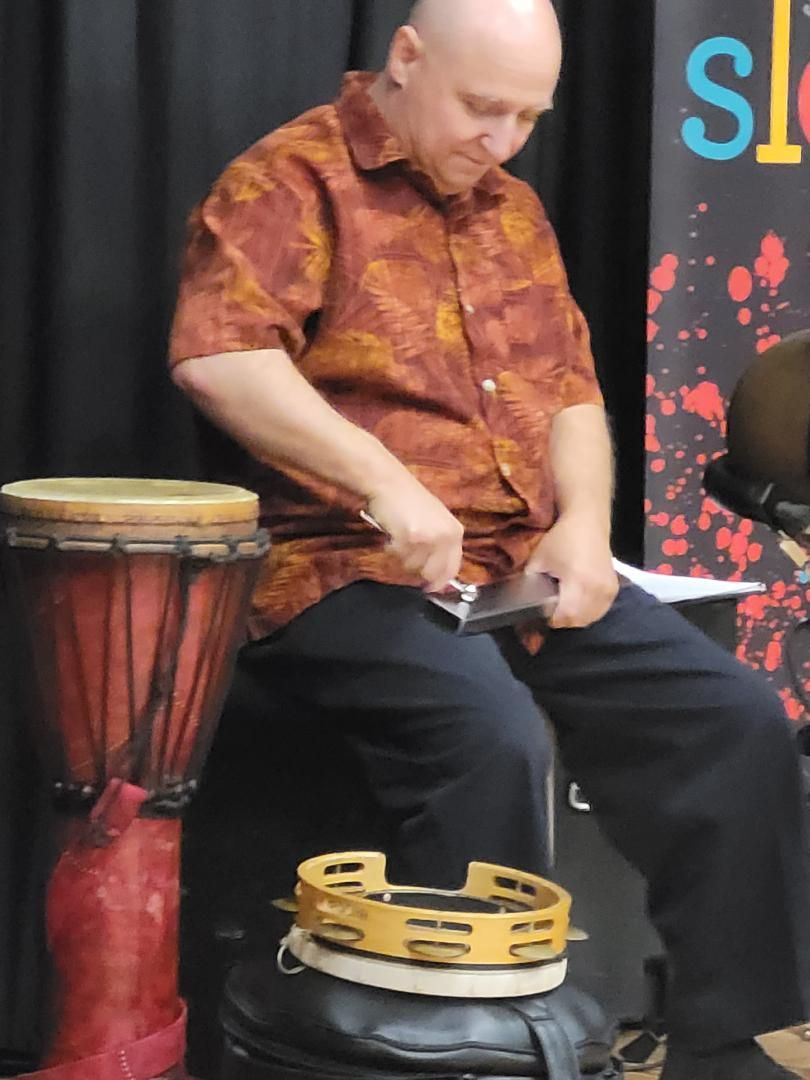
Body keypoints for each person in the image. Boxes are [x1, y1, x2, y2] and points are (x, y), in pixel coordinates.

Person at [169, 1, 810, 1076]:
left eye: (527, 118)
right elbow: (219, 357)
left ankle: (725, 1042)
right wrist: (384, 483)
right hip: (340, 565)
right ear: (406, 59)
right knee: (488, 734)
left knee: (731, 717)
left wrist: (586, 527)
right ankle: (482, 1052)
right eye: (481, 108)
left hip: (513, 565)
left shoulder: (513, 209)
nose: (502, 140)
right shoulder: (289, 178)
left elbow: (571, 394)